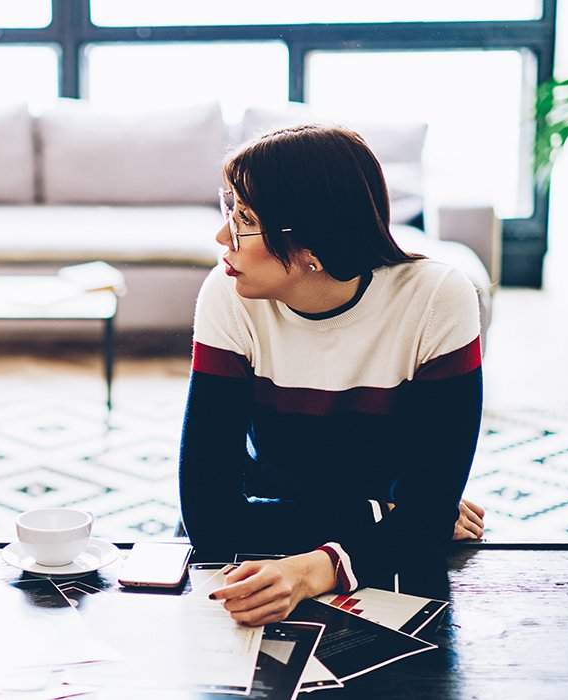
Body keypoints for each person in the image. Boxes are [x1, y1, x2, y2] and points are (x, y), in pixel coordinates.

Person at [179, 124, 486, 627]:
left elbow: (426, 523)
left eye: (245, 219)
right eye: (229, 210)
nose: (221, 237)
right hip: (359, 534)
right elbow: (211, 520)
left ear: (312, 247)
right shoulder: (228, 293)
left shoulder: (436, 298)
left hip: (288, 525)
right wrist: (387, 515)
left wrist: (313, 571)